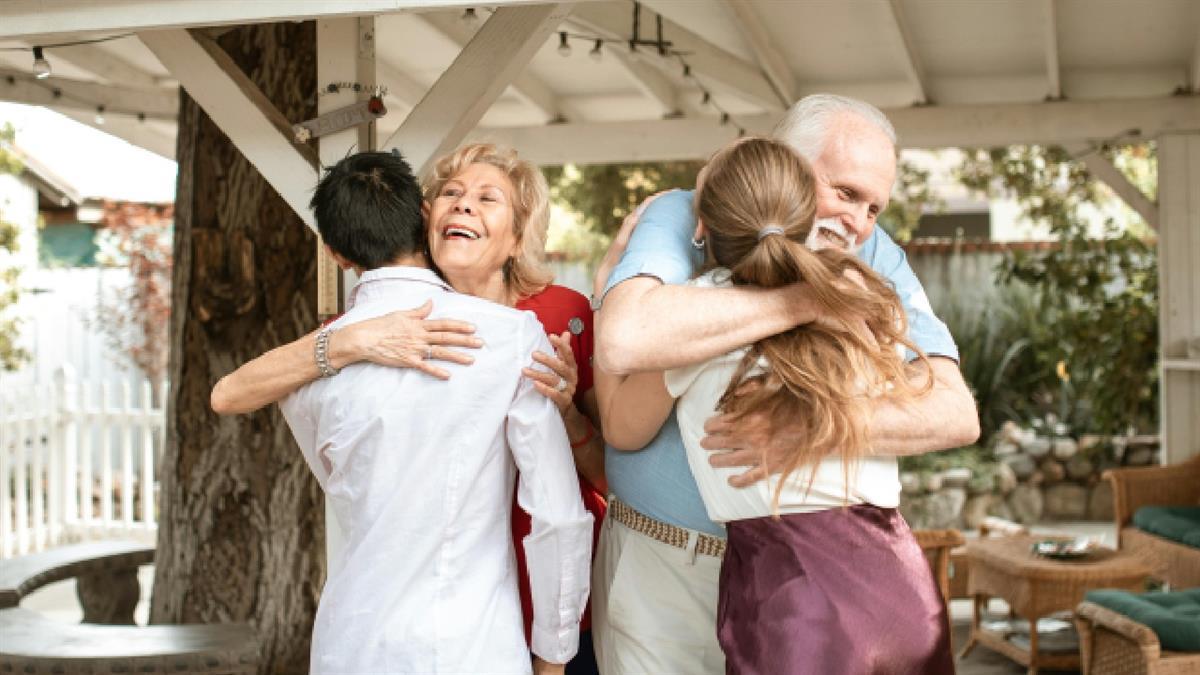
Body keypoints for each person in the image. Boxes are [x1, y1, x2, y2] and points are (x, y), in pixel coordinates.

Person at [588, 94, 979, 673]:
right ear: (782, 162)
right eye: (845, 193)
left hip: (792, 592)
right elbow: (625, 341)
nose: (859, 224)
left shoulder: (872, 257)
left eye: (874, 207)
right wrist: (805, 298)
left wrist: (809, 426)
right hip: (667, 567)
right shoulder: (684, 211)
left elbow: (954, 413)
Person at [210, 143, 607, 674]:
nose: (465, 206)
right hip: (473, 641)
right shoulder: (511, 339)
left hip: (351, 642)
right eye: (452, 193)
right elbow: (558, 517)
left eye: (486, 197)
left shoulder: (306, 370)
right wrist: (553, 662)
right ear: (425, 217)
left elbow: (336, 477)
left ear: (335, 253)